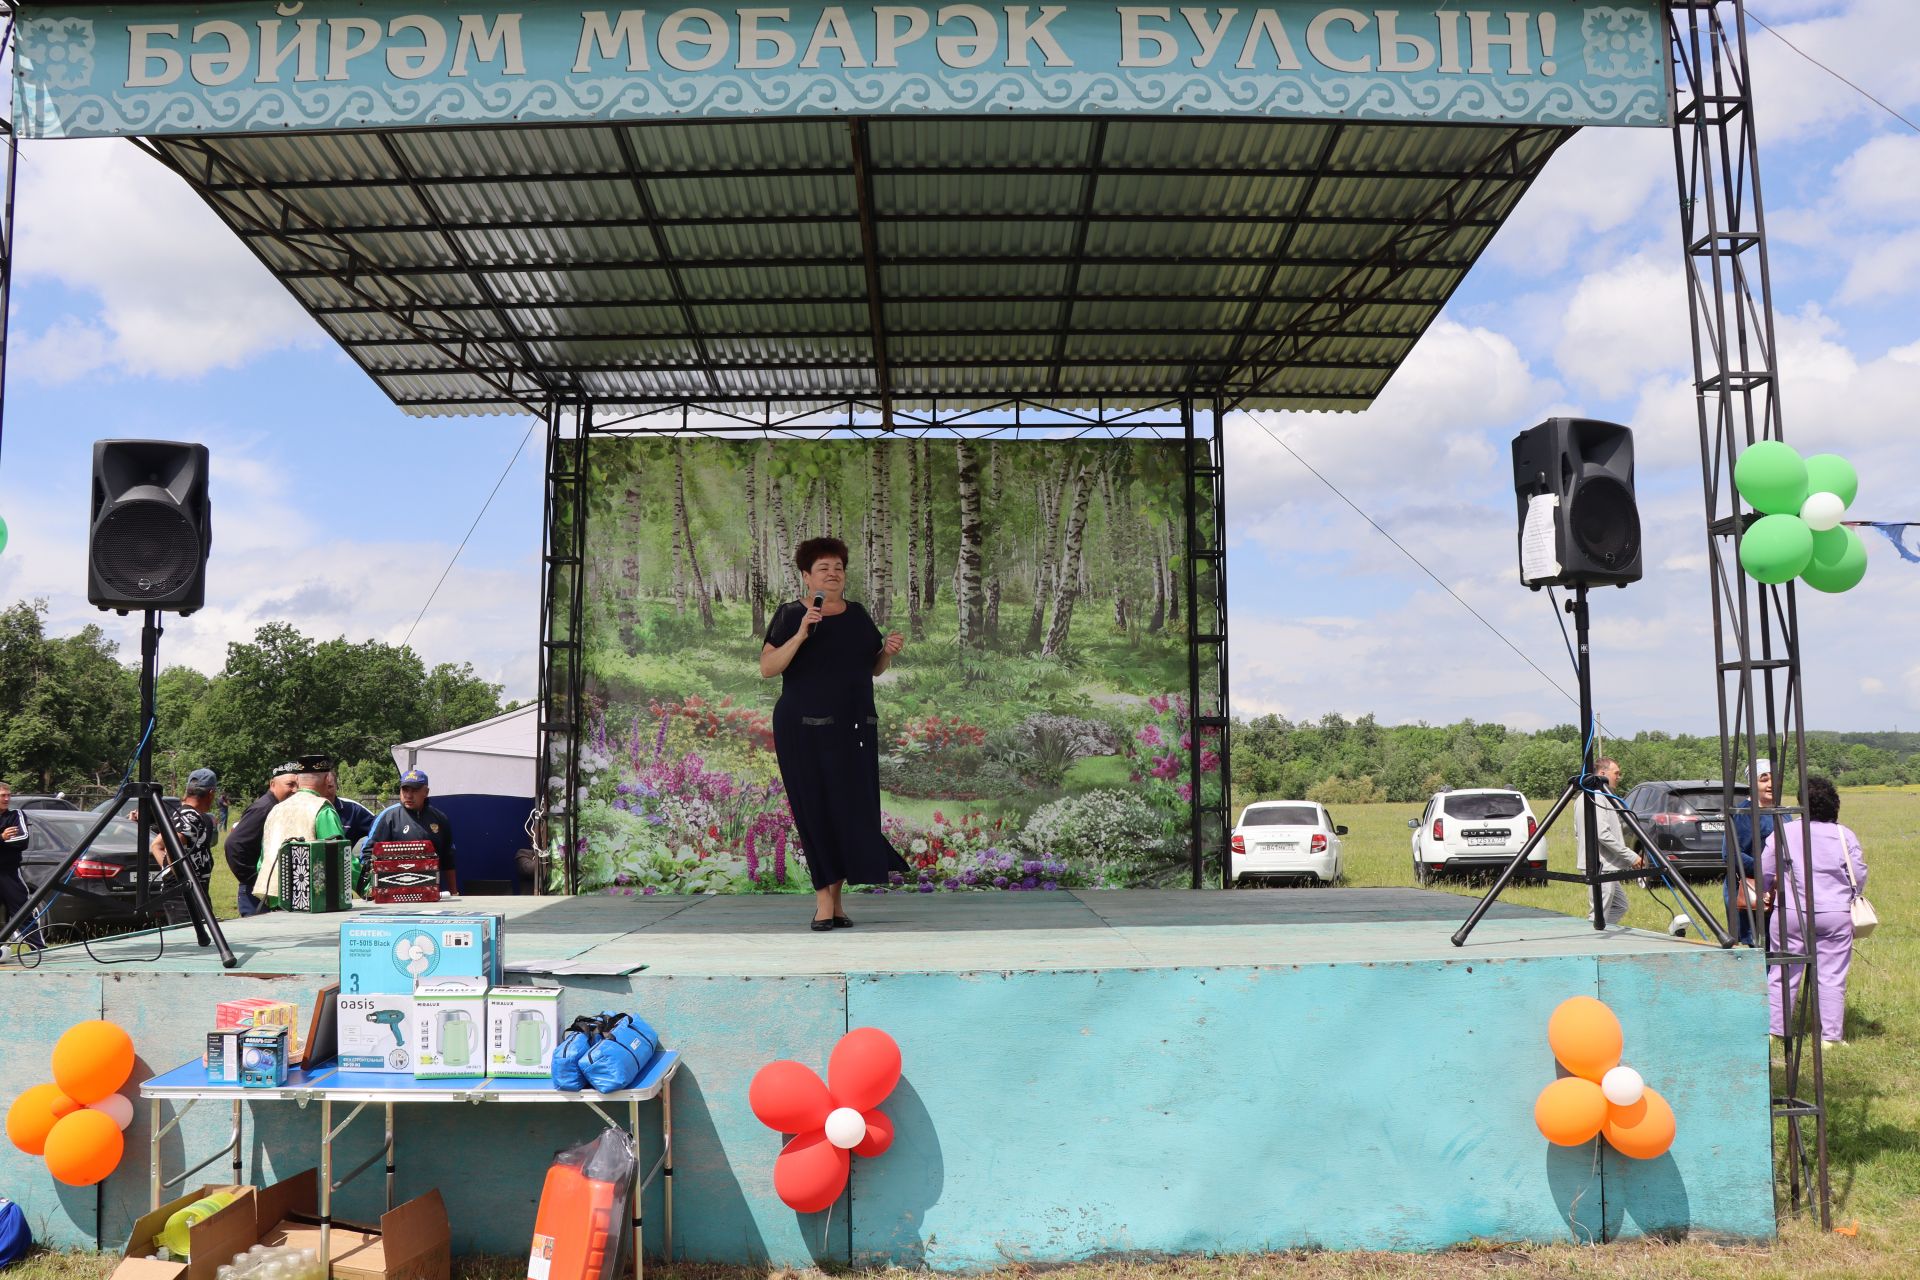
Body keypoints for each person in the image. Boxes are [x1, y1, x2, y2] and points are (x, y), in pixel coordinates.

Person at [759, 536, 908, 931]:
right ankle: (823, 904)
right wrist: (801, 634)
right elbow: (768, 668)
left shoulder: (858, 615)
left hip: (854, 728)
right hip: (802, 730)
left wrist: (887, 652)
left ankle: (837, 905)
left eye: (838, 567)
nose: (833, 573)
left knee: (849, 811)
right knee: (817, 810)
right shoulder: (792, 614)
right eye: (823, 568)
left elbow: (872, 669)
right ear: (807, 576)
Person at [1761, 776, 1867, 1046]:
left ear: (1800, 804)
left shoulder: (1783, 831)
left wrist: (1765, 889)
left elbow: (1765, 869)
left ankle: (1776, 1030)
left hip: (1791, 912)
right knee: (1832, 975)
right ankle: (1830, 1038)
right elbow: (1858, 874)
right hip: (1835, 914)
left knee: (1784, 971)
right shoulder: (1845, 835)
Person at [255, 756, 346, 906]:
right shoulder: (322, 808)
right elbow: (340, 857)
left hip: (273, 899)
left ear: (297, 780)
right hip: (311, 902)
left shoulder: (276, 810)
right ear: (327, 779)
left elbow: (263, 860)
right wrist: (365, 886)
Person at [1572, 757, 1644, 928]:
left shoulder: (1601, 796)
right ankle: (1594, 943)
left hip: (1606, 864)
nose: (1619, 777)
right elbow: (1602, 834)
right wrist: (1630, 856)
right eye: (1616, 773)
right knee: (1599, 911)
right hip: (1600, 865)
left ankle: (1600, 932)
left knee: (1619, 906)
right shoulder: (1595, 797)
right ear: (1603, 774)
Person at [365, 769, 459, 894]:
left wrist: (454, 893)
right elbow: (367, 854)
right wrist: (374, 891)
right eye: (405, 790)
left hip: (430, 893)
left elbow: (448, 859)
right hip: (392, 893)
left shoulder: (440, 818)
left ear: (426, 792)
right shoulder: (388, 816)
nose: (408, 795)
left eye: (414, 790)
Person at [226, 763, 300, 917]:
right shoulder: (264, 808)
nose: (295, 790)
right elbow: (234, 845)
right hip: (256, 894)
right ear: (273, 784)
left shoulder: (278, 807)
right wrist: (254, 879)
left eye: (297, 785)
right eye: (290, 785)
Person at [151, 768, 218, 925]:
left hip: (181, 893)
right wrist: (181, 878)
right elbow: (172, 846)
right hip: (185, 897)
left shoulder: (181, 814)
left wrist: (169, 869)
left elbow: (156, 845)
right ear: (211, 793)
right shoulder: (191, 817)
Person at [1730, 759, 1776, 946]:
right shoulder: (1743, 812)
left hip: (1779, 891)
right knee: (1758, 948)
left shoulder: (1782, 811)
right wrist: (1768, 870)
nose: (1771, 784)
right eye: (1764, 779)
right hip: (1753, 891)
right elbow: (1731, 854)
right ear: (1752, 784)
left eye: (1774, 778)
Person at [0, 783, 42, 951]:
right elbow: (10, 840)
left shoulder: (16, 815)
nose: (7, 798)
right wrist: (2, 837)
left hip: (9, 872)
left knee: (22, 910)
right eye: (2, 795)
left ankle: (38, 948)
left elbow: (22, 840)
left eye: (9, 795)